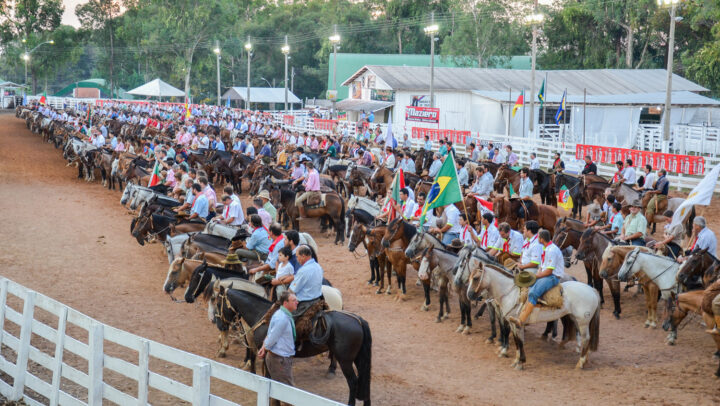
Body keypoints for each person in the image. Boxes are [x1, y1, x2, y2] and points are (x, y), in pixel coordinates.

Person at [508, 229, 564, 327]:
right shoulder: (546, 248)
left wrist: (535, 276)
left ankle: (521, 320)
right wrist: (537, 274)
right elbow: (542, 267)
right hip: (545, 274)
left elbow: (549, 271)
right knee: (527, 287)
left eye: (538, 237)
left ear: (542, 239)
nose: (537, 239)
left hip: (552, 277)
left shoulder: (552, 250)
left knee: (533, 293)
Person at [258, 291, 297, 399]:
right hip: (280, 360)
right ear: (285, 303)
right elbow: (271, 339)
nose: (297, 302)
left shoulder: (279, 314)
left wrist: (263, 347)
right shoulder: (282, 318)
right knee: (288, 392)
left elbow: (270, 334)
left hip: (279, 358)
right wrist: (265, 348)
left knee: (278, 390)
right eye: (294, 300)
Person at [289, 245, 324, 315]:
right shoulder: (318, 267)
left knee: (287, 318)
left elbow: (292, 290)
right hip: (318, 301)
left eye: (297, 256)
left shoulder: (303, 271)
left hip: (304, 305)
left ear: (303, 256)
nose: (297, 259)